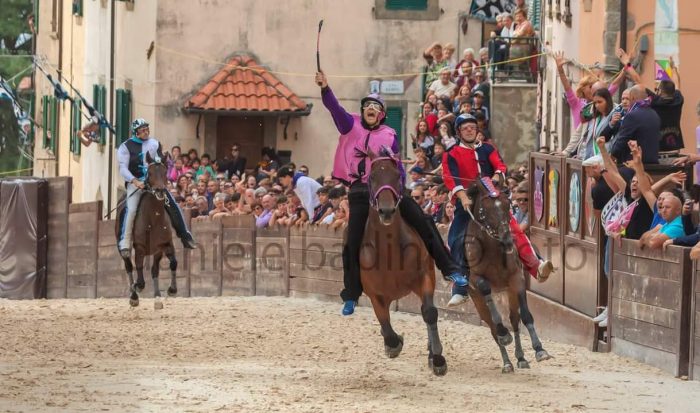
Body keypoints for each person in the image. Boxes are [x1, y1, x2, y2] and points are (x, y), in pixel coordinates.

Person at [316, 70, 468, 316]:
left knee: (424, 221)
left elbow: (396, 164)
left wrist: (401, 189)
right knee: (351, 240)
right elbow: (334, 108)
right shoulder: (349, 125)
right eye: (368, 106)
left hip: (389, 188)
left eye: (376, 107)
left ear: (382, 114)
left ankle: (451, 270)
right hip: (361, 190)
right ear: (363, 110)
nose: (371, 109)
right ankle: (352, 293)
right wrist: (325, 88)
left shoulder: (389, 134)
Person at [443, 114, 553, 306]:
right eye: (465, 128)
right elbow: (450, 178)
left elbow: (500, 165)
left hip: (490, 196)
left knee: (514, 228)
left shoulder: (488, 148)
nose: (469, 130)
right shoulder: (451, 153)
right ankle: (460, 287)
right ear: (459, 132)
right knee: (455, 238)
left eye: (472, 127)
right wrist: (462, 196)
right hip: (466, 200)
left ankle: (536, 266)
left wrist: (496, 177)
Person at [116, 118, 196, 258]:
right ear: (136, 132)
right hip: (136, 184)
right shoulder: (125, 147)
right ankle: (125, 243)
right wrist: (135, 181)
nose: (146, 132)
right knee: (132, 209)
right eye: (143, 130)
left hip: (153, 183)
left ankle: (185, 236)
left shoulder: (154, 144)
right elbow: (122, 168)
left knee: (172, 205)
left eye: (147, 129)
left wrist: (159, 175)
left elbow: (159, 162)